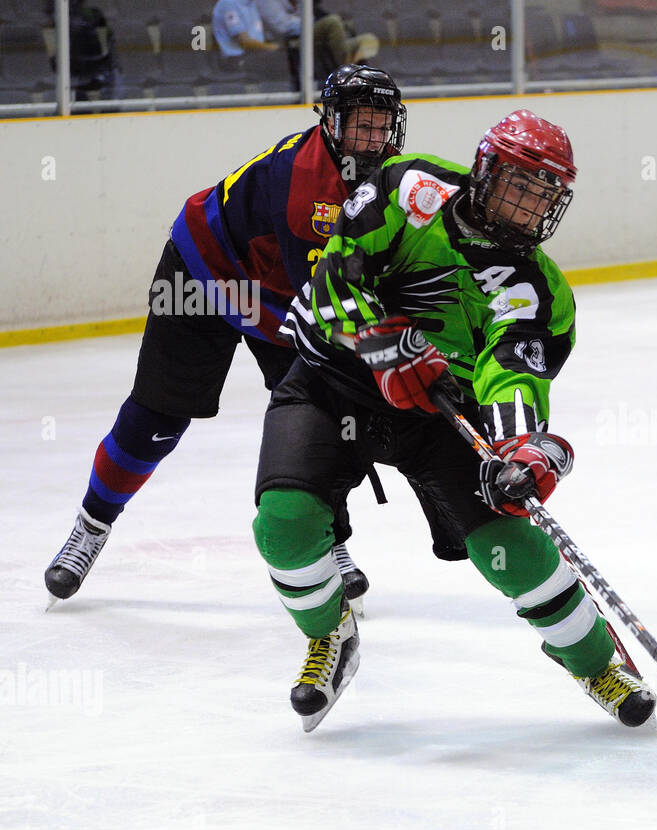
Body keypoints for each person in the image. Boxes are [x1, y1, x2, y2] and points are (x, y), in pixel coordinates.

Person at [252, 110, 657, 733]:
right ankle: (330, 632)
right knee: (283, 525)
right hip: (333, 384)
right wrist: (384, 349)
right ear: (486, 172)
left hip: (436, 414)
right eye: (519, 187)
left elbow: (512, 372)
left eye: (544, 197)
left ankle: (598, 660)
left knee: (509, 546)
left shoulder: (536, 289)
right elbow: (335, 274)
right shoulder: (406, 190)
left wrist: (521, 449)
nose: (528, 210)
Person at [44, 65, 407, 609]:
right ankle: (91, 526)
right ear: (331, 123)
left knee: (318, 412)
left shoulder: (389, 177)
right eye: (360, 125)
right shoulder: (307, 188)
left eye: (381, 126)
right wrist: (384, 354)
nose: (371, 138)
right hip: (205, 274)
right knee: (160, 415)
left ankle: (327, 542)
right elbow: (326, 300)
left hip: (276, 287)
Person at [254, 0, 380, 75]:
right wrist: (313, 22)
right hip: (288, 44)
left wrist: (312, 21)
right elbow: (283, 27)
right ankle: (345, 69)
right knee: (332, 22)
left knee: (367, 39)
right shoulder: (266, 1)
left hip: (307, 38)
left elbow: (308, 15)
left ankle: (360, 76)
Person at [212, 0, 280, 71]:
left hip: (255, 53)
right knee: (282, 58)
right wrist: (272, 48)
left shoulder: (251, 3)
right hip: (237, 59)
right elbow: (245, 42)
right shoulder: (229, 3)